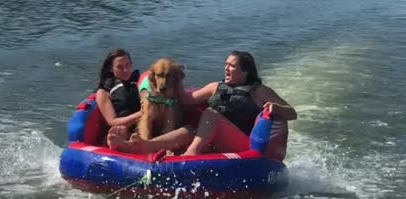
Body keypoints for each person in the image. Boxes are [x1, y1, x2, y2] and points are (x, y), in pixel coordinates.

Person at [108, 51, 297, 160]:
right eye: (226, 64)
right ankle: (141, 146)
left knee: (210, 114)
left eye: (232, 65)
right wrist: (171, 80)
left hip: (241, 144)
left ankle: (191, 153)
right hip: (210, 140)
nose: (226, 68)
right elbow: (187, 100)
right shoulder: (215, 86)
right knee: (190, 130)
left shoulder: (258, 90)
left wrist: (277, 108)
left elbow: (292, 113)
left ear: (245, 71)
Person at [94, 49, 142, 147]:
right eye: (119, 67)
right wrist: (142, 114)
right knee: (121, 130)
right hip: (123, 128)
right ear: (111, 69)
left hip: (143, 122)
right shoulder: (103, 93)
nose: (125, 70)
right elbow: (113, 122)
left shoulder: (140, 82)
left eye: (128, 65)